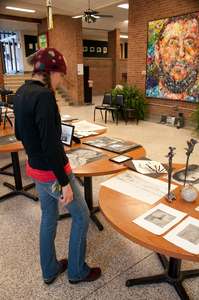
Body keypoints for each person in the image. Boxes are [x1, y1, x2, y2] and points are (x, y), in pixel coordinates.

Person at [13, 47, 101, 285]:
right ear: (49, 72)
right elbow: (52, 146)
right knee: (82, 216)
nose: (60, 79)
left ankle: (50, 269)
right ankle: (76, 271)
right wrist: (65, 183)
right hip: (53, 172)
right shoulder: (44, 96)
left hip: (35, 169)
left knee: (48, 218)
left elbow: (20, 133)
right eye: (59, 74)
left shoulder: (20, 92)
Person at [146, 13, 199, 101]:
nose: (181, 53)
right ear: (157, 53)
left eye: (190, 43)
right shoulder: (149, 95)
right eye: (172, 43)